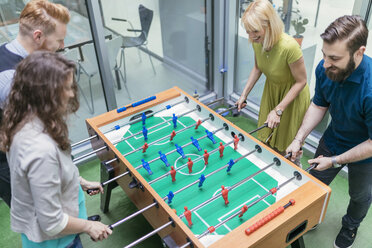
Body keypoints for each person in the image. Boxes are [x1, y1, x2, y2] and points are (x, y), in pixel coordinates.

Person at [0, 51, 112, 247]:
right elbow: (51, 223)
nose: (71, 93)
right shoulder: (39, 149)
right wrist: (88, 226)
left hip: (57, 227)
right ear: (46, 94)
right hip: (57, 241)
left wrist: (79, 181)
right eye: (66, 88)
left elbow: (39, 179)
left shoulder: (23, 120)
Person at [286, 15, 372, 248]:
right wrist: (298, 138)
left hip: (366, 153)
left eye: (334, 58)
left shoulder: (370, 88)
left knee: (359, 196)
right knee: (313, 184)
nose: (325, 63)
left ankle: (351, 225)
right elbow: (319, 104)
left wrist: (334, 161)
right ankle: (311, 215)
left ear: (358, 52)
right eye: (324, 54)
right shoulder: (325, 69)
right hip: (334, 138)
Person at [0, 0, 69, 207]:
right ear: (38, 36)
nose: (62, 46)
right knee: (41, 215)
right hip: (12, 163)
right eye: (59, 40)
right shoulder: (12, 80)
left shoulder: (7, 51)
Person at [236, 0, 310, 154]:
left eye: (255, 31)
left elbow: (301, 81)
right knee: (267, 139)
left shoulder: (289, 47)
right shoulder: (257, 41)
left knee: (287, 148)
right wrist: (244, 94)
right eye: (248, 31)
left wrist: (278, 110)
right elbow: (258, 68)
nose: (251, 36)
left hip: (292, 96)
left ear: (270, 25)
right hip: (272, 91)